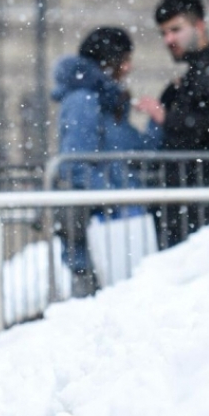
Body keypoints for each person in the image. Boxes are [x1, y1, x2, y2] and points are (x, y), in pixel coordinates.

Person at [135, 0, 209, 247]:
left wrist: (167, 117)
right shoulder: (195, 73)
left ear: (199, 25)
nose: (169, 39)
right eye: (164, 33)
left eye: (176, 29)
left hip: (206, 202)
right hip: (188, 200)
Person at [51, 27, 160, 297]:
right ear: (111, 62)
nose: (129, 67)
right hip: (100, 229)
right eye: (125, 60)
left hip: (115, 226)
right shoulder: (84, 101)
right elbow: (75, 165)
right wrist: (118, 195)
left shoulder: (105, 104)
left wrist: (158, 121)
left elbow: (139, 150)